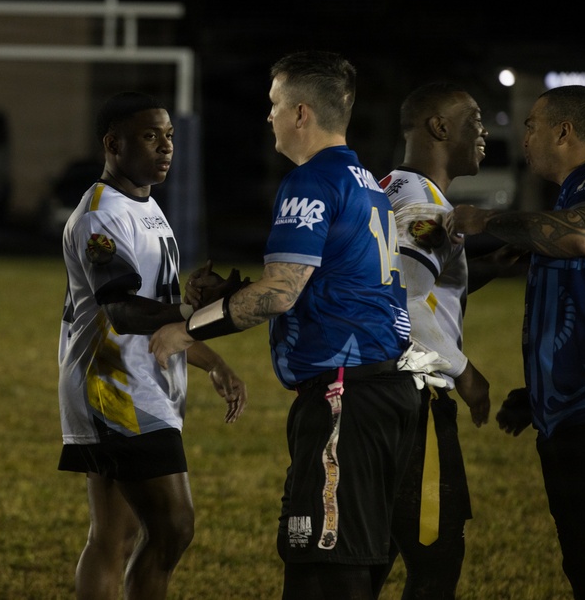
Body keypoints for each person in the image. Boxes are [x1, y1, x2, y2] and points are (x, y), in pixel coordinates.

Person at [150, 51, 423, 599]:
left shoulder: (311, 181)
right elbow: (330, 281)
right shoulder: (365, 180)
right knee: (356, 564)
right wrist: (232, 293)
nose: (267, 116)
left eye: (274, 105)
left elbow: (280, 292)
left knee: (324, 569)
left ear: (301, 113)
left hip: (346, 398)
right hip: (388, 391)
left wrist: (188, 327)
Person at [58, 91, 248, 599]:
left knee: (114, 537)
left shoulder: (145, 205)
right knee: (173, 528)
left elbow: (155, 305)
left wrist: (210, 358)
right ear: (112, 144)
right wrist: (201, 315)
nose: (166, 147)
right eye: (150, 136)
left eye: (169, 136)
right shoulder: (102, 213)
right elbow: (120, 308)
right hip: (116, 391)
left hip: (133, 385)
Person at [451, 84, 585, 600]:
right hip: (575, 410)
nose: (524, 136)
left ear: (564, 130)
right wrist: (540, 392)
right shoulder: (567, 199)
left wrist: (487, 220)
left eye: (532, 125)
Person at [374, 82, 522, 598]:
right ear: (438, 127)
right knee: (436, 555)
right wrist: (463, 370)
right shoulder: (422, 202)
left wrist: (478, 268)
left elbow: (420, 277)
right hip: (414, 394)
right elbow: (401, 295)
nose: (483, 130)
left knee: (374, 551)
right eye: (474, 118)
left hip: (375, 391)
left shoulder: (392, 186)